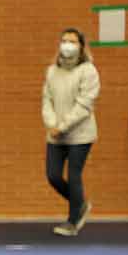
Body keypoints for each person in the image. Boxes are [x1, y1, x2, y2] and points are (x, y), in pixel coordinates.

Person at [42, 27, 100, 238]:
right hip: (56, 134)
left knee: (74, 176)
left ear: (81, 46)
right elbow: (46, 100)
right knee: (53, 176)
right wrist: (52, 123)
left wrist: (63, 126)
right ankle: (80, 204)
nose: (67, 45)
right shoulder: (52, 71)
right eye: (64, 40)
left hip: (80, 135)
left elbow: (84, 105)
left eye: (72, 41)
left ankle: (73, 221)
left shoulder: (88, 71)